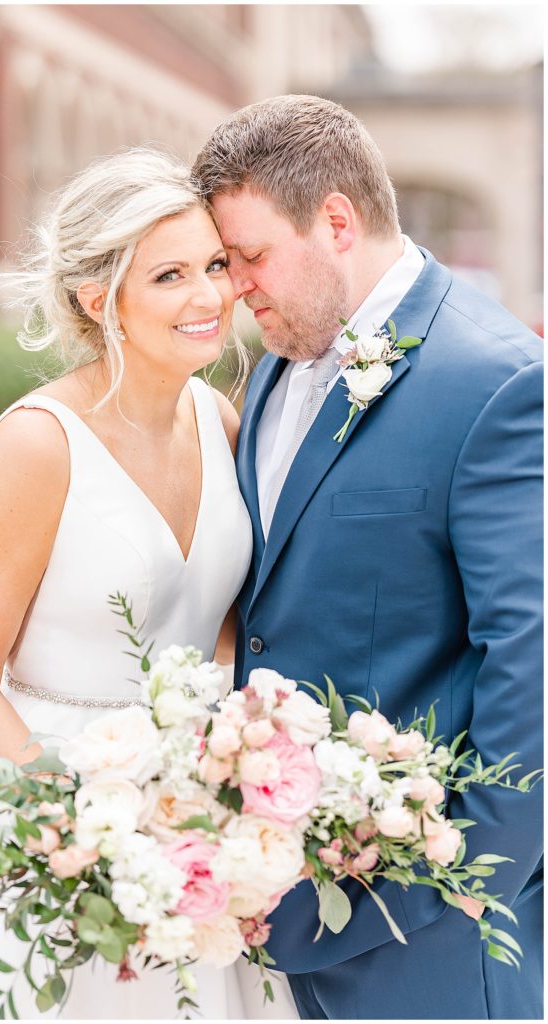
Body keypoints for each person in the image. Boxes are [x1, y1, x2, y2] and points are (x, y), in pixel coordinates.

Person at [0, 148, 261, 1020]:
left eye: (214, 265)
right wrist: (77, 824)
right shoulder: (35, 446)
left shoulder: (219, 418)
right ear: (98, 299)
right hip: (48, 812)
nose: (208, 296)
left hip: (189, 814)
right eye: (168, 276)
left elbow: (222, 624)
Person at [193, 94, 543, 1021]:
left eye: (250, 255)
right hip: (273, 913)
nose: (234, 287)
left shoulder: (499, 382)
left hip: (426, 939)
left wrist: (458, 890)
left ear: (338, 222)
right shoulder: (272, 367)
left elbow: (532, 664)